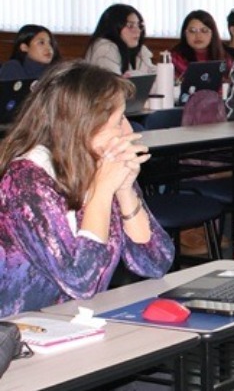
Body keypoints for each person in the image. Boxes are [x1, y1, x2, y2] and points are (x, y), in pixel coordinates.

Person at [0, 61, 174, 316]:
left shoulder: (100, 165)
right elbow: (81, 281)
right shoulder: (25, 181)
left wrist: (125, 191)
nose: (128, 130)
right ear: (80, 125)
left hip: (71, 324)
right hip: (19, 334)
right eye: (118, 121)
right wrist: (102, 191)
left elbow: (156, 262)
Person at [86, 3, 156, 75]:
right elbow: (115, 84)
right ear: (113, 27)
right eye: (130, 26)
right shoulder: (105, 48)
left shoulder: (139, 50)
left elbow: (153, 75)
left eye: (139, 25)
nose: (138, 30)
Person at [167, 10, 233, 79]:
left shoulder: (224, 58)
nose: (198, 36)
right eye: (192, 31)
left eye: (204, 31)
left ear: (212, 34)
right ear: (185, 34)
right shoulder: (173, 59)